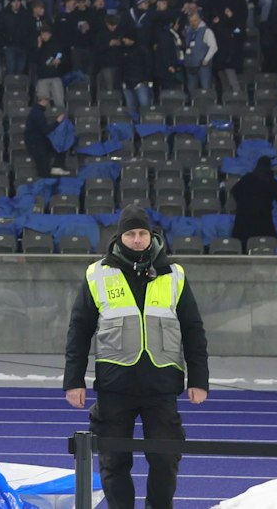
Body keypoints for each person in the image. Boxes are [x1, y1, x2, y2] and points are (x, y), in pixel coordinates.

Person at [64, 205, 209, 509]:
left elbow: (193, 330)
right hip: (115, 385)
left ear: (151, 235)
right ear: (120, 237)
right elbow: (79, 330)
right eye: (131, 233)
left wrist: (199, 379)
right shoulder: (98, 274)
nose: (138, 239)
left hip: (162, 385)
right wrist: (73, 380)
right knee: (113, 461)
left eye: (142, 232)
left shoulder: (174, 274)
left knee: (165, 459)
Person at [229, 155, 277, 246]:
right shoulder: (271, 181)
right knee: (267, 243)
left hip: (244, 216)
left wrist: (242, 202)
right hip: (263, 217)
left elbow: (234, 191)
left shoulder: (246, 178)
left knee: (243, 244)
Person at [26, 93, 69, 177]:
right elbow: (45, 130)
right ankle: (55, 169)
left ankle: (56, 168)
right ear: (44, 101)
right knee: (43, 169)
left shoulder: (36, 111)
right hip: (36, 144)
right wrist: (57, 121)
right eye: (48, 101)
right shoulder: (37, 113)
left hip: (38, 142)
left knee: (59, 147)